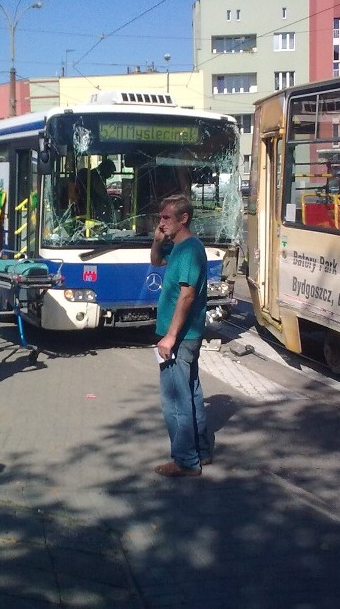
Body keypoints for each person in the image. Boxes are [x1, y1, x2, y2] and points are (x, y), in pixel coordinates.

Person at [150, 193, 213, 477]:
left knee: (175, 399)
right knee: (192, 393)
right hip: (185, 335)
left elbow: (186, 296)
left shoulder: (189, 250)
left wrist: (170, 336)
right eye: (160, 217)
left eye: (166, 218)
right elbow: (155, 262)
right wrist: (156, 240)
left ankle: (186, 461)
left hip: (181, 336)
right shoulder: (176, 247)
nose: (161, 223)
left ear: (183, 218)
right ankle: (202, 451)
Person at [72, 158, 117, 223]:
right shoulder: (94, 176)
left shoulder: (96, 176)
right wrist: (109, 202)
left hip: (88, 209)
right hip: (88, 210)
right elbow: (101, 192)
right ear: (105, 169)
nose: (110, 175)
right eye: (110, 172)